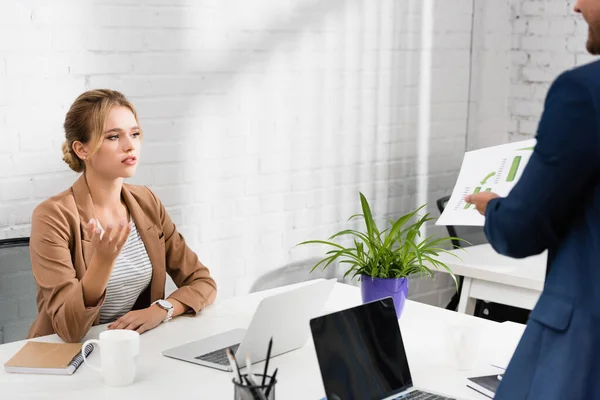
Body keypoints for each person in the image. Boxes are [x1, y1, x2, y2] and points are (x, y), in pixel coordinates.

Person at [465, 1, 600, 398]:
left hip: (583, 350)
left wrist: (493, 207)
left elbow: (521, 230)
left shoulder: (585, 93)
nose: (576, 6)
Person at [27, 89, 217, 343]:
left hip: (130, 348)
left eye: (135, 134)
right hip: (68, 357)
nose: (130, 145)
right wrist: (103, 262)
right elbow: (68, 329)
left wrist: (161, 310)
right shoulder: (52, 216)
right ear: (81, 150)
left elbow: (202, 282)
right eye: (114, 136)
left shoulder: (146, 202)